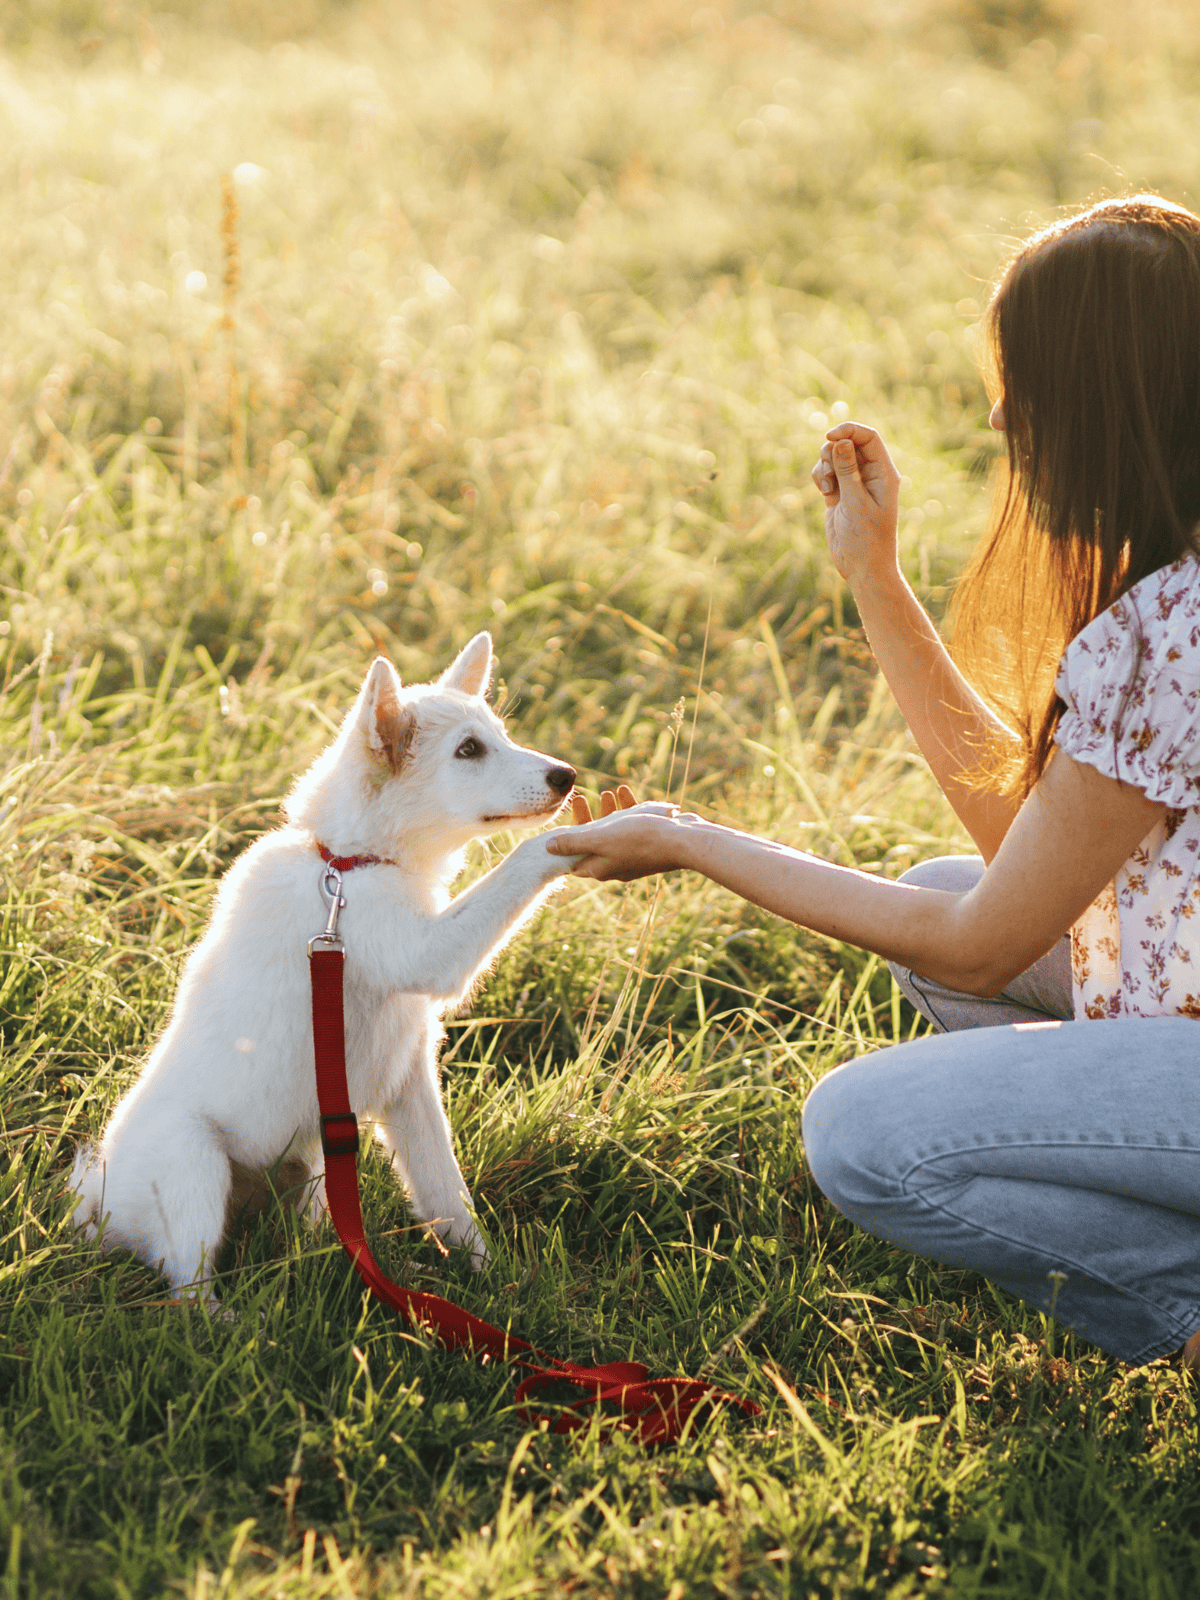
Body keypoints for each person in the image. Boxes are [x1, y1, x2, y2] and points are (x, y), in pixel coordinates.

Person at [547, 194, 1200, 1369]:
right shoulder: (1174, 598)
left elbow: (981, 950)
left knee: (862, 1131)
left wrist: (692, 839)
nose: (1003, 412)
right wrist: (875, 577)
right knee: (930, 889)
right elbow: (1017, 857)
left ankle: (1183, 1304)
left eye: (1024, 385)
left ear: (1104, 399)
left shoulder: (1169, 635)